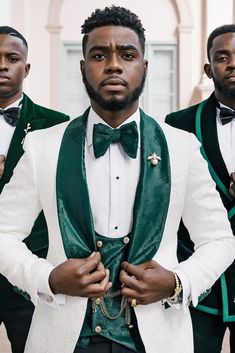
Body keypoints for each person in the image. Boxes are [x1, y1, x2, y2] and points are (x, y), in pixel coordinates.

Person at [0, 8, 234, 353]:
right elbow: (3, 233)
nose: (113, 65)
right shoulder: (41, 147)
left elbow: (219, 240)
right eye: (99, 55)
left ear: (144, 67)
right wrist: (45, 278)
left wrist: (177, 282)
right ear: (83, 68)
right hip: (63, 338)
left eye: (127, 54)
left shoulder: (182, 147)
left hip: (158, 338)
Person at [165, 24, 235, 353]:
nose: (232, 63)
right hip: (200, 283)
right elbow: (165, 200)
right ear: (209, 69)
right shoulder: (177, 124)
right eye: (223, 57)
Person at [0, 26, 69, 353]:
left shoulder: (56, 124)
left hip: (27, 272)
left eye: (11, 58)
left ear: (26, 68)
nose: (3, 66)